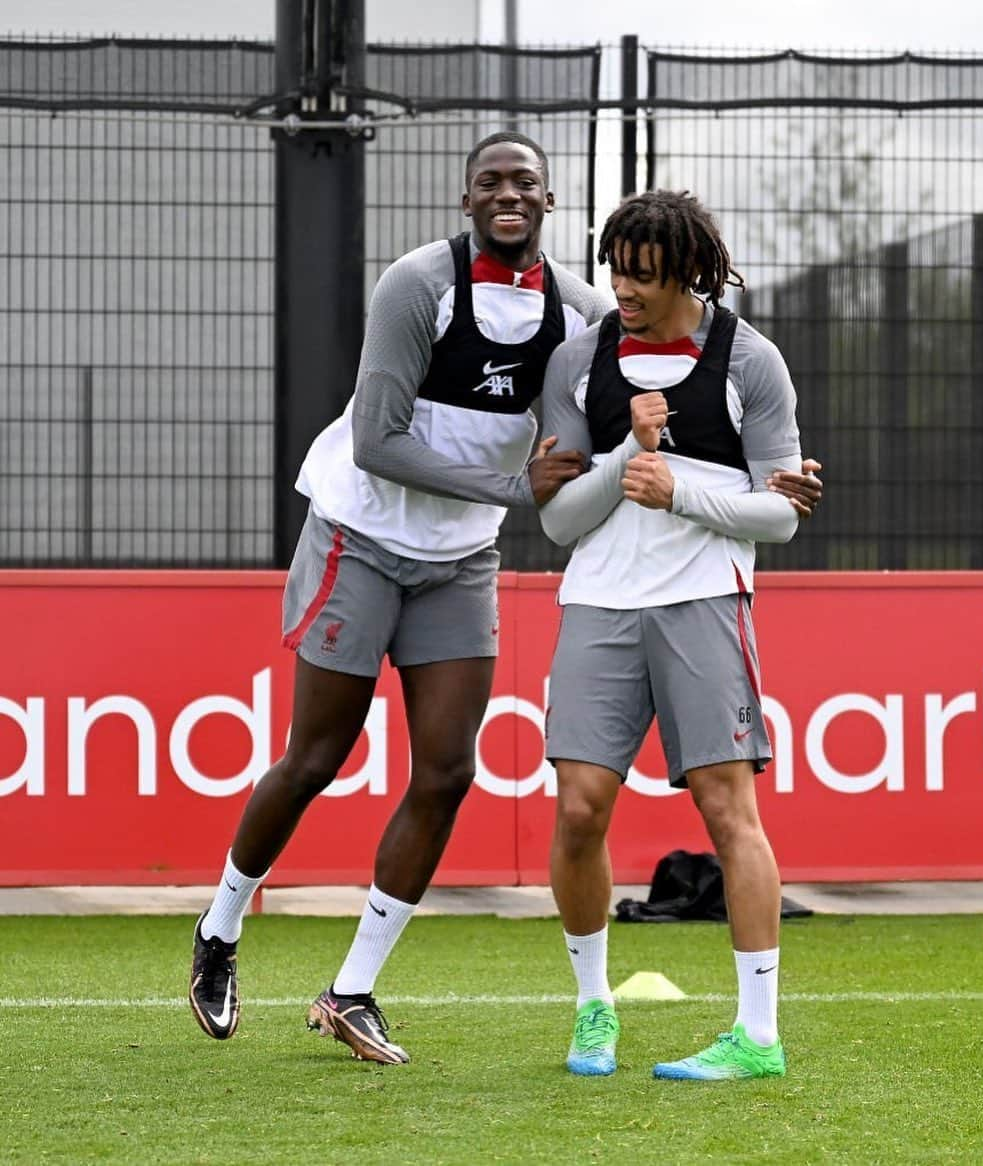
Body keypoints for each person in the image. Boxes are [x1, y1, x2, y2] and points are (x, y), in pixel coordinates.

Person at [188, 134, 823, 1065]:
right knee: (317, 754)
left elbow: (658, 379)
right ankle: (220, 928)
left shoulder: (588, 313)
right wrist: (525, 490)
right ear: (467, 196)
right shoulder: (417, 283)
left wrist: (776, 482)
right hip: (360, 535)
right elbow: (377, 441)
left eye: (524, 181)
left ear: (550, 199)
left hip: (463, 559)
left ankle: (353, 990)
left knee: (447, 772)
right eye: (490, 181)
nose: (507, 194)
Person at [537, 189, 811, 1081]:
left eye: (644, 276)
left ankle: (758, 1038)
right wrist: (625, 457)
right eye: (616, 269)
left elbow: (781, 516)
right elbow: (557, 523)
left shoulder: (751, 361)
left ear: (688, 272)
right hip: (600, 601)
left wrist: (681, 491)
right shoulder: (579, 360)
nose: (624, 289)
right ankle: (592, 1011)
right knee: (579, 807)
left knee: (731, 812)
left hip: (705, 599)